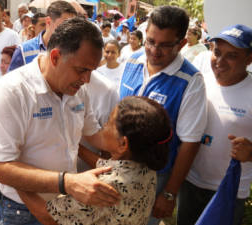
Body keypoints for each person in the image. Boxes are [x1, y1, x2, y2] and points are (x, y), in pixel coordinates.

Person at [0, 17, 120, 225]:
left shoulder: (78, 91)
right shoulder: (12, 92)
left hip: (64, 202)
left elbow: (93, 134)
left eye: (92, 71)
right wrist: (67, 182)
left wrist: (127, 145)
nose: (87, 80)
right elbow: (2, 168)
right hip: (22, 210)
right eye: (82, 70)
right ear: (55, 56)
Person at [117, 6, 207, 225]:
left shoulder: (191, 82)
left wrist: (169, 193)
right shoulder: (132, 61)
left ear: (182, 44)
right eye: (150, 41)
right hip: (119, 168)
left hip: (155, 178)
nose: (154, 51)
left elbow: (190, 143)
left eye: (165, 45)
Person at [47, 96, 172, 225]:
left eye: (109, 122)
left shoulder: (106, 186)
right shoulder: (144, 167)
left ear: (123, 144)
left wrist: (25, 185)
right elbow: (106, 165)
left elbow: (49, 215)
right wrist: (74, 144)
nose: (104, 126)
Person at [178, 24, 252, 225]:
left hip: (228, 191)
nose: (220, 61)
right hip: (190, 182)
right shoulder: (200, 82)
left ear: (249, 59)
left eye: (232, 56)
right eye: (217, 52)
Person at [8, 0, 76, 71]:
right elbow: (11, 80)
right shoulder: (23, 50)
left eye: (72, 25)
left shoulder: (73, 50)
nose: (69, 29)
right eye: (65, 24)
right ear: (49, 21)